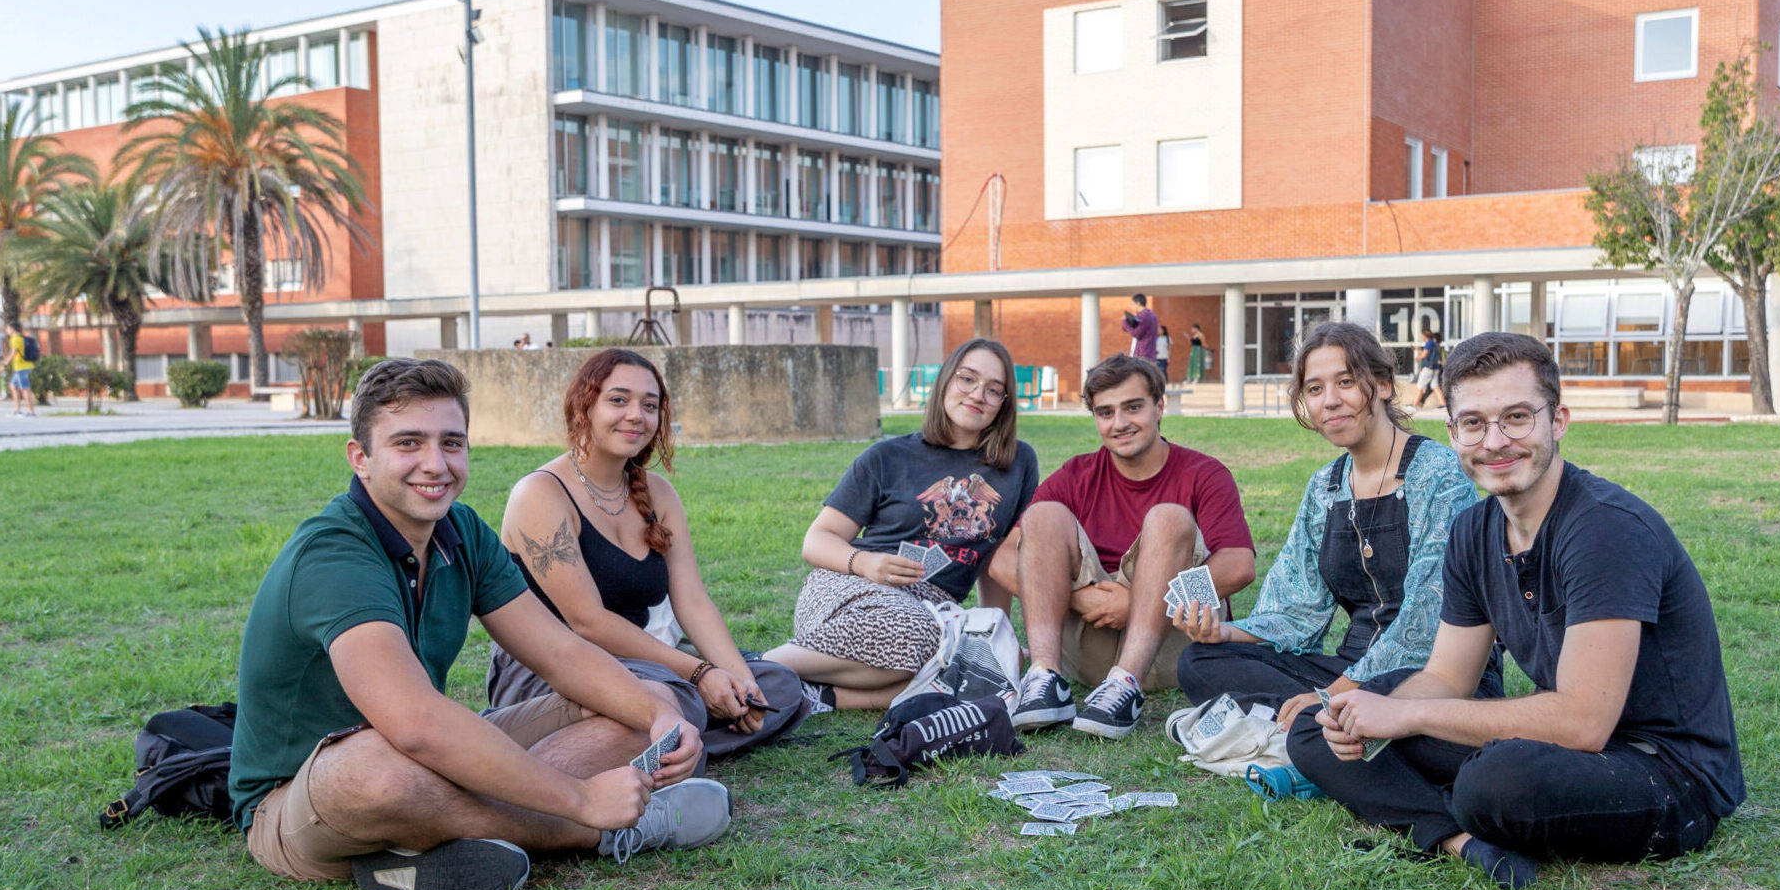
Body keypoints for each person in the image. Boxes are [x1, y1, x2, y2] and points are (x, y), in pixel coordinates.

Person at [227, 358, 730, 890]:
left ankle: (423, 852)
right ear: (360, 458)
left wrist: (658, 717)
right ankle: (595, 834)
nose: (435, 464)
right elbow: (415, 725)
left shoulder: (460, 530)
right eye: (408, 443)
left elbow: (561, 652)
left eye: (451, 443)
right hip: (304, 795)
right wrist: (582, 801)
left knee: (646, 698)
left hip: (429, 762)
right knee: (372, 767)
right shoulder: (334, 553)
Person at [1295, 332, 1743, 890]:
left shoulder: (1605, 529)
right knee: (1319, 726)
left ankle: (1433, 810)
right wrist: (1364, 713)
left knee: (1496, 782)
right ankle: (1462, 842)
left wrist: (1404, 719)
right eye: (1474, 423)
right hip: (1555, 748)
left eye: (1517, 418)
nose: (1496, 442)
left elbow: (1583, 721)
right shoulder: (1474, 532)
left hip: (1665, 771)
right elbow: (1445, 678)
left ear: (1558, 421)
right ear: (1453, 432)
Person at [488, 348, 806, 759]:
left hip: (638, 661)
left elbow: (691, 601)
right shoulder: (541, 493)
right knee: (674, 694)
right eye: (618, 400)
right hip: (553, 668)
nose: (636, 415)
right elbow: (588, 623)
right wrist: (699, 672)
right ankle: (661, 738)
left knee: (777, 683)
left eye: (649, 405)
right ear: (584, 405)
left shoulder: (658, 493)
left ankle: (666, 746)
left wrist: (743, 683)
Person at [1178, 320, 1489, 725]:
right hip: (1347, 668)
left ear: (1382, 385)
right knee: (1200, 660)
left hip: (1430, 674)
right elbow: (1296, 609)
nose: (1330, 401)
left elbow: (1428, 614)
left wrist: (1334, 694)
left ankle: (1307, 725)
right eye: (1314, 389)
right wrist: (1223, 633)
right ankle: (1316, 725)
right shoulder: (1325, 486)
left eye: (1345, 382)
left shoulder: (1439, 473)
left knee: (1356, 711)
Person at [993, 354, 1255, 738]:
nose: (1120, 423)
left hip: (1175, 644)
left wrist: (1138, 601)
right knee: (1043, 515)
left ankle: (1125, 687)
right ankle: (1046, 679)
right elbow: (1002, 560)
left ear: (1159, 406)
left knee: (1169, 518)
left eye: (1133, 407)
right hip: (1090, 643)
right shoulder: (1076, 475)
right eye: (1105, 412)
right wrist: (1078, 599)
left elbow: (1238, 565)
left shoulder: (1204, 473)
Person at [769, 338, 1038, 712]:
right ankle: (759, 669)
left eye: (995, 390)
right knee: (923, 636)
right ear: (945, 381)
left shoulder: (1018, 463)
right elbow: (816, 540)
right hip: (853, 586)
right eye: (967, 379)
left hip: (937, 609)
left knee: (975, 671)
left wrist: (997, 635)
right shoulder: (886, 456)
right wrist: (866, 564)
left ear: (1004, 404)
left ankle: (816, 696)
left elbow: (997, 557)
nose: (978, 394)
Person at [1125, 293, 1166, 383]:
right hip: (1150, 354)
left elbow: (1137, 333)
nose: (1132, 307)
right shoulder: (1152, 316)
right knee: (1150, 382)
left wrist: (1125, 324)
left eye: (1133, 304)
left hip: (1143, 354)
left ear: (1138, 303)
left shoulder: (1144, 316)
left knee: (1143, 383)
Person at [1409, 325, 1445, 410]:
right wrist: (1417, 349)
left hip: (1428, 368)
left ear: (1424, 335)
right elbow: (1428, 353)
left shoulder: (1429, 343)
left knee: (1420, 386)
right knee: (1435, 386)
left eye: (1422, 335)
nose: (1421, 336)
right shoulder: (1434, 343)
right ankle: (1443, 404)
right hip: (1435, 368)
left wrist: (1417, 358)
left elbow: (1425, 354)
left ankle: (1414, 405)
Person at [6, 327, 39, 416]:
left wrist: (4, 364)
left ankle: (31, 412)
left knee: (25, 389)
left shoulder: (16, 339)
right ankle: (17, 410)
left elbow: (13, 352)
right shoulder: (19, 338)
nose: (7, 330)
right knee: (13, 386)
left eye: (8, 328)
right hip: (19, 367)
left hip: (22, 368)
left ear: (12, 329)